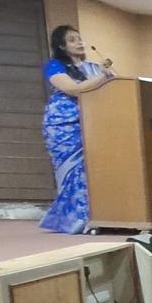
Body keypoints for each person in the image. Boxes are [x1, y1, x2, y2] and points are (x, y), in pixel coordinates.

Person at [39, 24, 119, 233]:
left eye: (80, 38)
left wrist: (109, 74)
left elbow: (116, 88)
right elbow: (73, 89)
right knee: (75, 172)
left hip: (93, 122)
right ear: (61, 46)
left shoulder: (92, 67)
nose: (79, 43)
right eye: (72, 40)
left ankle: (98, 216)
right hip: (63, 125)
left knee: (94, 170)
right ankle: (78, 220)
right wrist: (102, 76)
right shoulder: (54, 66)